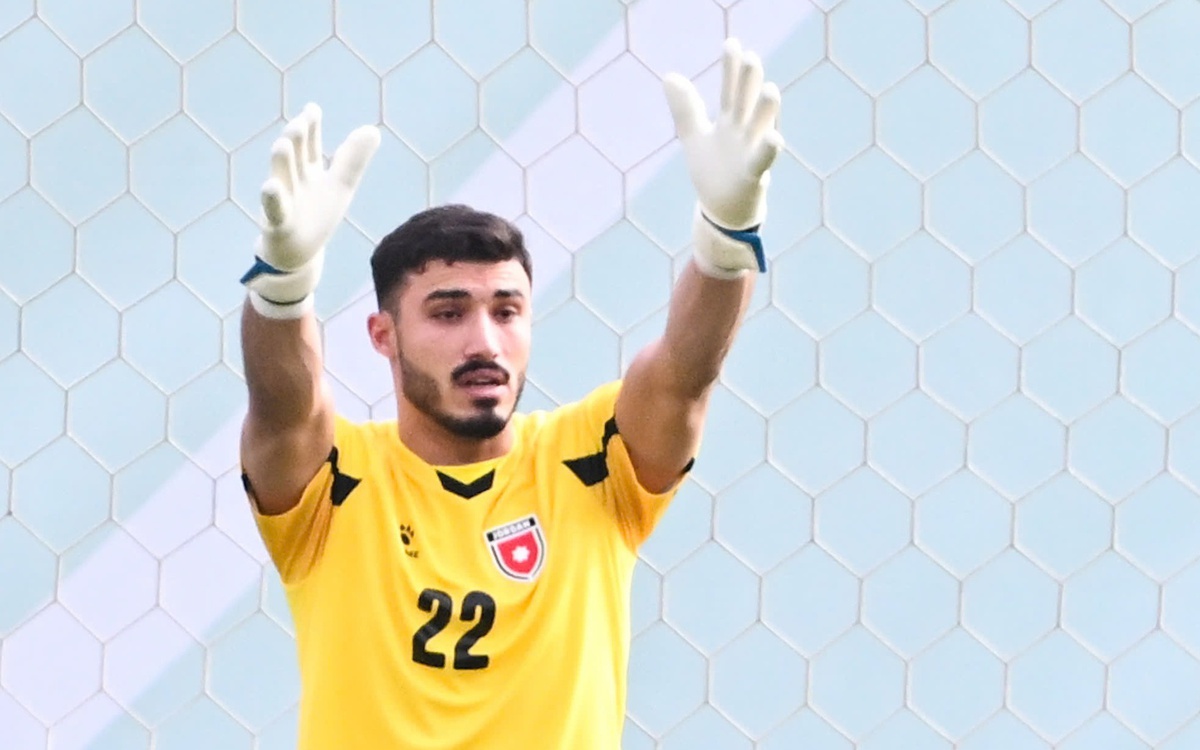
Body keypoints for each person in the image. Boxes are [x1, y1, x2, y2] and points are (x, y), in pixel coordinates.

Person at [236, 37, 784, 750]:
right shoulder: (334, 479)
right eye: (448, 313)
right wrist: (282, 288)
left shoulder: (592, 463)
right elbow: (283, 404)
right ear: (382, 335)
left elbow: (686, 372)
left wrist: (727, 241)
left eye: (506, 311)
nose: (485, 342)